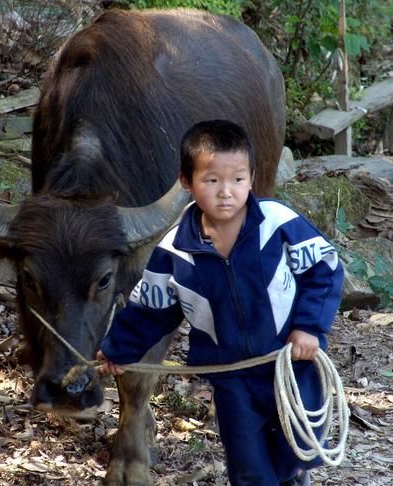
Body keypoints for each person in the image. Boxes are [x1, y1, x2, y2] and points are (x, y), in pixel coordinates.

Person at [97, 120, 344, 486]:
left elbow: (325, 268)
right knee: (247, 468)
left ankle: (292, 475)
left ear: (252, 178)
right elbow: (150, 310)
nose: (226, 192)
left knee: (300, 447)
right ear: (186, 181)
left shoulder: (278, 225)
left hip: (290, 365)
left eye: (238, 180)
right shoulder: (175, 251)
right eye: (212, 181)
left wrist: (309, 326)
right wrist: (118, 349)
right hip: (231, 377)